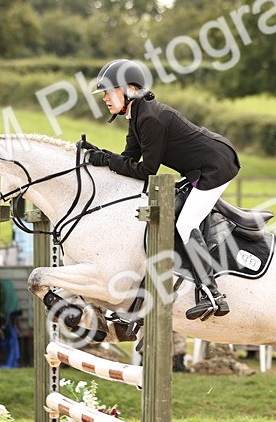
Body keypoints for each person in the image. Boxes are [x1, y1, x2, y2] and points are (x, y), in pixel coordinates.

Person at [79, 58, 240, 321]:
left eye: (109, 92)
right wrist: (101, 155)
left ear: (129, 89)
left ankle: (212, 293)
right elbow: (127, 159)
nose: (105, 99)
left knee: (186, 224)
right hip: (199, 168)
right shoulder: (137, 116)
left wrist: (106, 159)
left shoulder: (151, 118)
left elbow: (146, 171)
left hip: (216, 166)